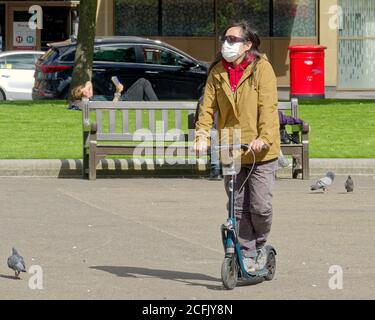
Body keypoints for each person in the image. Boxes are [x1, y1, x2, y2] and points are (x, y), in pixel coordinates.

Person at [194, 21, 280, 272]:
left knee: (260, 206)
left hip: (260, 151)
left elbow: (268, 108)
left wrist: (264, 137)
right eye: (225, 38)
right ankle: (246, 252)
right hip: (231, 148)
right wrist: (202, 136)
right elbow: (207, 109)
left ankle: (261, 245)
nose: (226, 43)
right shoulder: (217, 72)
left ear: (247, 44)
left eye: (232, 39)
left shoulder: (261, 69)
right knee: (237, 206)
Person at [70, 77, 158, 105]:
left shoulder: (91, 97)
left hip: (123, 99)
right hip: (124, 102)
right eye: (85, 92)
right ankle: (157, 105)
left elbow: (89, 82)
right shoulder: (92, 102)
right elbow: (112, 107)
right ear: (83, 97)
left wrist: (85, 87)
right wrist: (117, 92)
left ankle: (155, 105)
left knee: (143, 82)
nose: (88, 91)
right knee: (143, 82)